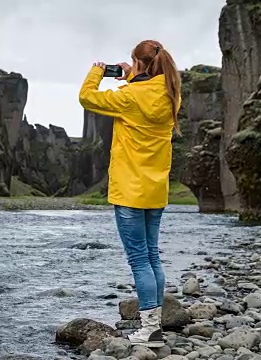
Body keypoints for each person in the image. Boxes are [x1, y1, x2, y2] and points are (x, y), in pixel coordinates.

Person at [78, 40, 182, 348]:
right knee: (152, 255)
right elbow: (145, 95)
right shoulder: (171, 94)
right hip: (155, 188)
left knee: (138, 258)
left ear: (139, 64)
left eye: (132, 62)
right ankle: (155, 321)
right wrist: (132, 78)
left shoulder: (129, 97)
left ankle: (149, 329)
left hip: (129, 190)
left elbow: (87, 98)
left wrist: (97, 71)